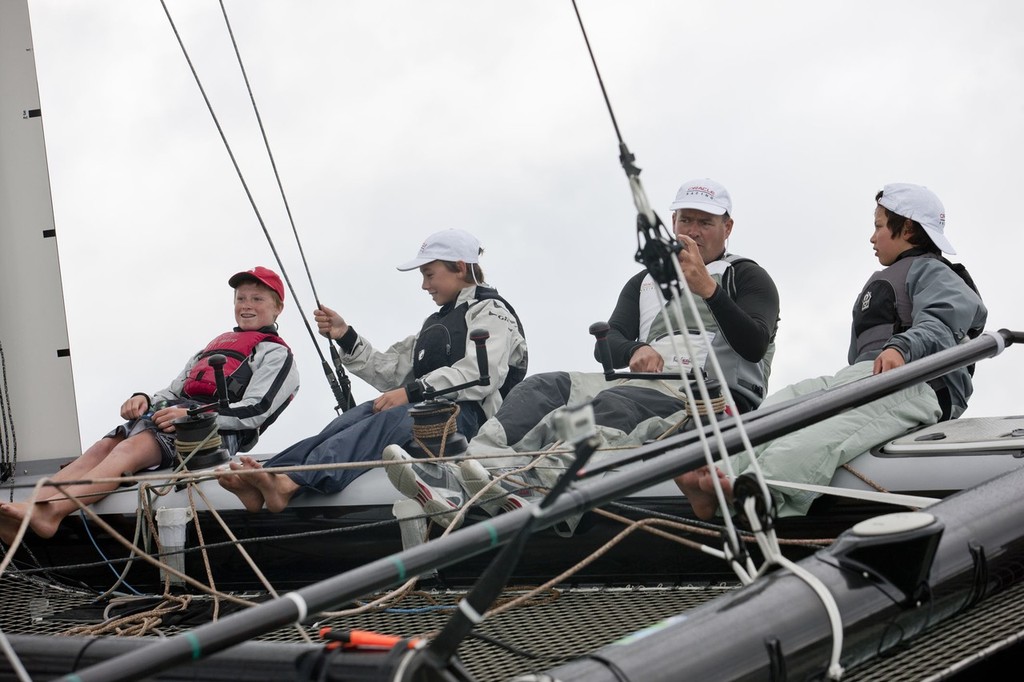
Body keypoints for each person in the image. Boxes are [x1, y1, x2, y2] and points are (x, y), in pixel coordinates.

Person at [385, 178, 781, 529]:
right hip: (643, 384)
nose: (692, 231)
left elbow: (753, 344)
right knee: (544, 388)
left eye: (705, 222)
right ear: (673, 222)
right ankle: (470, 471)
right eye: (685, 221)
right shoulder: (644, 284)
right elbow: (609, 343)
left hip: (707, 396)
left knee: (608, 406)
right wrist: (639, 348)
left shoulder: (746, 276)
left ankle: (529, 485)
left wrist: (707, 289)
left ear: (727, 228)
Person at [677, 183, 987, 520]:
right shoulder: (889, 277)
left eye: (879, 226)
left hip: (918, 384)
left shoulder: (937, 273)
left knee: (823, 432)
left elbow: (942, 322)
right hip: (866, 376)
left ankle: (762, 491)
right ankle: (717, 476)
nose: (872, 237)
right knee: (784, 403)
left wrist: (902, 347)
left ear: (908, 229)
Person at [218, 228, 528, 513]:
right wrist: (345, 335)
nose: (424, 285)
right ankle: (270, 478)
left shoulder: (492, 311)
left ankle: (291, 484)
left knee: (392, 418)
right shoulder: (437, 325)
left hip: (470, 420)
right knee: (352, 419)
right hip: (431, 411)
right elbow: (390, 372)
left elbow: (481, 374)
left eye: (429, 274)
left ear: (459, 267)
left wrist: (410, 392)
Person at [0, 266, 300, 544]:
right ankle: (30, 509)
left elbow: (256, 411)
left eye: (257, 299)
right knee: (100, 449)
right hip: (173, 419)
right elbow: (172, 391)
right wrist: (143, 399)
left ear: (277, 308)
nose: (246, 305)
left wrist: (192, 415)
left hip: (208, 436)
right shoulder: (209, 349)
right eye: (240, 298)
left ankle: (50, 514)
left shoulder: (276, 355)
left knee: (128, 451)